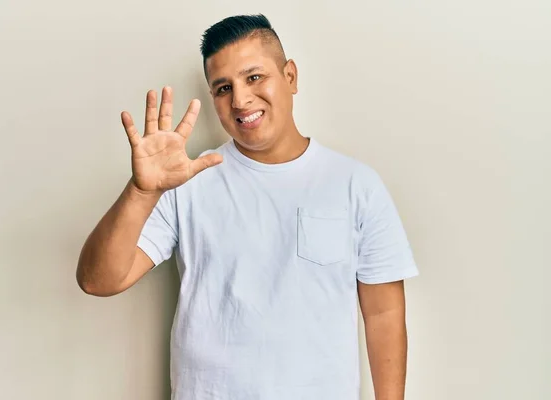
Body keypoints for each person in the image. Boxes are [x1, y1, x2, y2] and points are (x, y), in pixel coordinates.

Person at [76, 14, 419, 400]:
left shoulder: (356, 184)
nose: (240, 99)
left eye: (254, 77)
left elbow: (384, 315)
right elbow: (98, 280)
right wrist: (141, 192)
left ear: (290, 76)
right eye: (223, 88)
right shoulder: (187, 181)